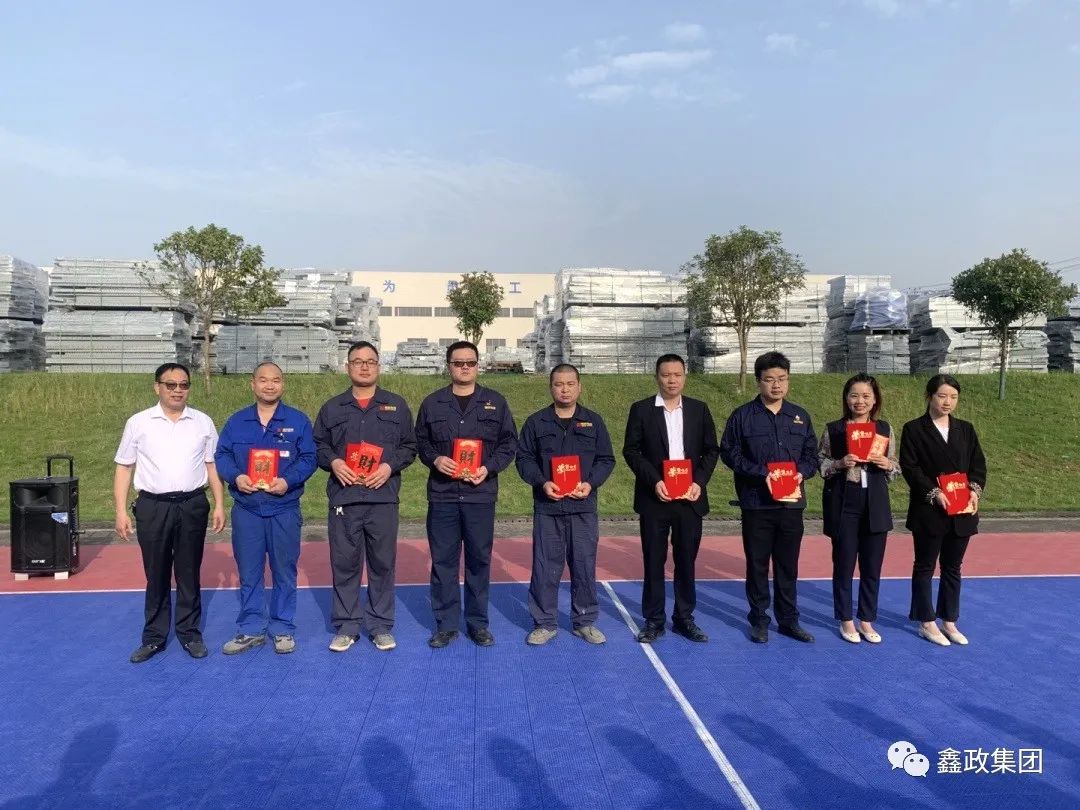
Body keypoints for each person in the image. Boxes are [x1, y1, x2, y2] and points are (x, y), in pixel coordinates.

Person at [114, 362, 226, 663]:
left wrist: (219, 504)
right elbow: (124, 467)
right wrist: (120, 511)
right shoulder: (138, 422)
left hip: (192, 504)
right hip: (153, 506)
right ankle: (154, 637)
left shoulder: (202, 422)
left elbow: (212, 465)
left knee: (189, 572)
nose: (178, 390)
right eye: (171, 385)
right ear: (157, 387)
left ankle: (190, 633)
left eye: (184, 385)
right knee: (156, 573)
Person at [313, 341, 417, 653]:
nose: (364, 366)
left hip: (382, 498)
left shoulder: (396, 406)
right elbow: (318, 445)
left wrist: (388, 466)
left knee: (382, 564)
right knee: (345, 564)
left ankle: (380, 625)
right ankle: (346, 626)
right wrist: (334, 462)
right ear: (348, 367)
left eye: (370, 361)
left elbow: (410, 446)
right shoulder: (333, 408)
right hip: (345, 498)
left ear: (378, 366)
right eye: (357, 361)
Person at [415, 340, 518, 648]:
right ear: (449, 366)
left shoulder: (495, 402)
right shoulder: (433, 403)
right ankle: (446, 625)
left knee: (478, 561)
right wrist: (436, 459)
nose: (464, 367)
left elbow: (508, 444)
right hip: (443, 495)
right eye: (458, 363)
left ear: (478, 365)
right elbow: (421, 442)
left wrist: (489, 467)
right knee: (443, 562)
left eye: (470, 363)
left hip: (479, 495)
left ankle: (478, 624)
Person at [213, 362, 318, 655]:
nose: (269, 385)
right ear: (253, 384)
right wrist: (236, 476)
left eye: (275, 380)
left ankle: (283, 628)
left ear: (282, 384)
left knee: (284, 570)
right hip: (247, 509)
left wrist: (288, 480)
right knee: (249, 571)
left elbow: (309, 458)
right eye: (263, 380)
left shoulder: (298, 421)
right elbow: (222, 455)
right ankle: (251, 628)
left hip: (284, 508)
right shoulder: (236, 422)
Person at [720, 351, 818, 644]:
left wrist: (801, 473)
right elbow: (729, 453)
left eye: (782, 379)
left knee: (788, 566)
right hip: (757, 504)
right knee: (758, 564)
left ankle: (788, 620)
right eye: (769, 379)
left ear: (788, 380)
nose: (776, 385)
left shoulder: (800, 416)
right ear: (758, 381)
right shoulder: (742, 416)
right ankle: (759, 619)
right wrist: (761, 473)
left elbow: (811, 456)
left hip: (791, 504)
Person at [516, 364, 616, 645]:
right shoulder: (536, 422)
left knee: (584, 565)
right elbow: (524, 459)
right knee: (545, 567)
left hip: (583, 507)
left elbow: (606, 460)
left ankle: (584, 621)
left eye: (570, 384)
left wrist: (591, 483)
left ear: (579, 387)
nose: (565, 389)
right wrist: (542, 483)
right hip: (548, 507)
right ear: (551, 387)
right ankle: (544, 623)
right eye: (559, 384)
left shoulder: (593, 422)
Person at [623, 353, 720, 644]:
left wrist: (699, 482)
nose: (672, 380)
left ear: (684, 376)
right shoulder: (641, 410)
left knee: (686, 561)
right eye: (666, 375)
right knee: (654, 561)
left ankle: (684, 618)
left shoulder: (699, 409)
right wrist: (655, 481)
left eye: (677, 375)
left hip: (689, 499)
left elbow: (711, 450)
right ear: (657, 377)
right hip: (655, 499)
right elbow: (632, 451)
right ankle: (654, 620)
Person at [900, 374, 987, 646]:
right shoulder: (914, 429)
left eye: (953, 397)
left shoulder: (966, 429)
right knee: (925, 565)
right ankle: (926, 621)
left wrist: (974, 490)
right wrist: (934, 493)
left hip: (961, 510)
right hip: (930, 509)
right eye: (942, 396)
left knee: (953, 566)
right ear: (929, 397)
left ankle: (949, 620)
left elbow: (978, 465)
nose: (947, 402)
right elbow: (910, 467)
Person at [819, 373, 900, 644]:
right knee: (843, 565)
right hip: (845, 500)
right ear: (846, 398)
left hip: (875, 500)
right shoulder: (834, 429)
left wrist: (888, 465)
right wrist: (838, 464)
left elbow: (895, 465)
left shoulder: (884, 429)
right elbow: (820, 462)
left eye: (866, 396)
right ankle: (845, 618)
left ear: (875, 400)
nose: (860, 401)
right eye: (854, 395)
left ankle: (866, 618)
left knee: (872, 566)